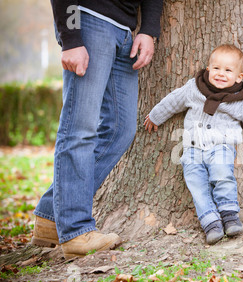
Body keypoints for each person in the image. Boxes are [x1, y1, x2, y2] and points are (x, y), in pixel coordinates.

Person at [31, 0, 163, 259]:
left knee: (120, 131)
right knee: (80, 128)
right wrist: (70, 38)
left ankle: (50, 216)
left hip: (126, 32)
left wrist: (148, 30)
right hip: (90, 21)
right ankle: (76, 230)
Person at [144, 44, 243, 244]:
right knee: (196, 183)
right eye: (217, 68)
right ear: (208, 69)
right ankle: (210, 221)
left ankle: (229, 214)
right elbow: (173, 101)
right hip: (192, 148)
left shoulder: (241, 100)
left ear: (239, 77)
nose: (221, 74)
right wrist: (156, 116)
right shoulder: (194, 88)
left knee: (222, 175)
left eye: (228, 70)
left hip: (221, 146)